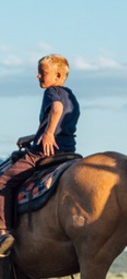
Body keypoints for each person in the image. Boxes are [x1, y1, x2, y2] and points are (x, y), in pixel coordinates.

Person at [0, 54, 80, 256]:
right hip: (67, 149)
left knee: (3, 181)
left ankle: (3, 233)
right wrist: (35, 136)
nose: (38, 76)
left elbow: (57, 109)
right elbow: (63, 121)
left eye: (43, 73)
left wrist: (49, 133)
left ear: (58, 75)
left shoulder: (53, 92)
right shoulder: (72, 97)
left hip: (44, 153)